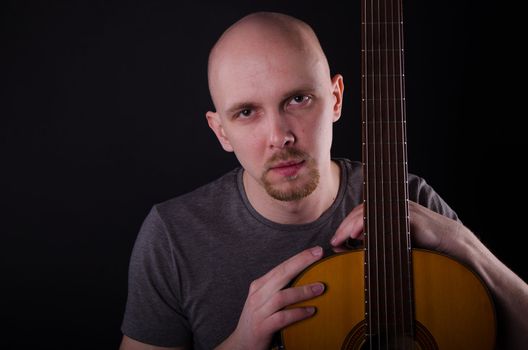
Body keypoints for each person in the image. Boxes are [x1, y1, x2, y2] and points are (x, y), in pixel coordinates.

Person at [119, 11, 528, 350]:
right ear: (220, 130)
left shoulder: (406, 198)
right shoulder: (172, 236)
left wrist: (463, 243)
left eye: (297, 99)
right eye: (246, 112)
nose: (280, 135)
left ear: (335, 99)